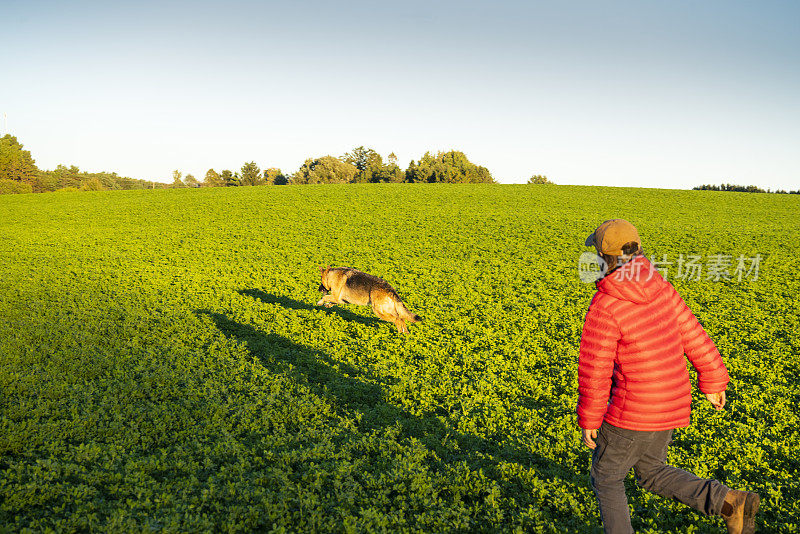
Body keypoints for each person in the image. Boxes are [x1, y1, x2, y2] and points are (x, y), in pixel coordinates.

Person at [576, 219, 760, 534]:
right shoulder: (660, 286)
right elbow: (693, 332)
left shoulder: (605, 305)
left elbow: (596, 369)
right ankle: (730, 503)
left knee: (606, 477)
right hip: (669, 405)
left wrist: (590, 419)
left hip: (632, 411)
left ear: (603, 259)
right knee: (651, 472)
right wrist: (713, 380)